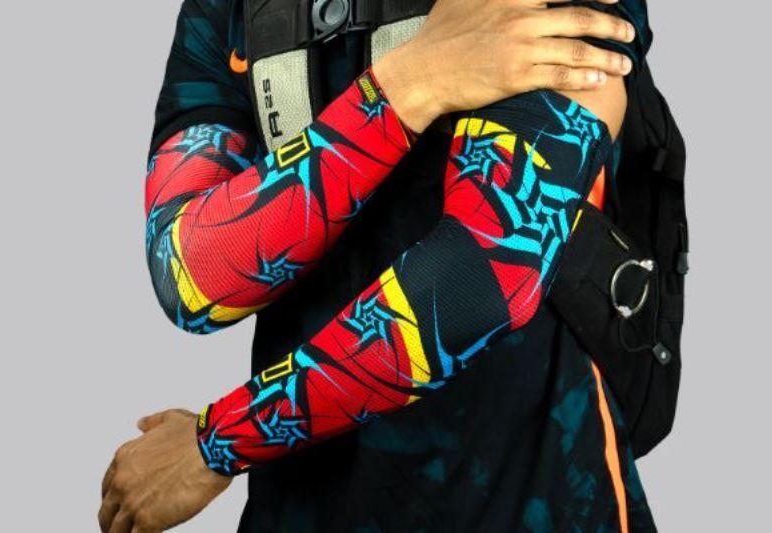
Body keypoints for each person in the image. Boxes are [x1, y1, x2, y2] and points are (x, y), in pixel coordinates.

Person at [100, 0, 657, 531]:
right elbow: (192, 279)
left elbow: (484, 275)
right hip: (300, 506)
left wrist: (217, 442)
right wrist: (412, 83)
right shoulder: (229, 10)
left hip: (530, 493)